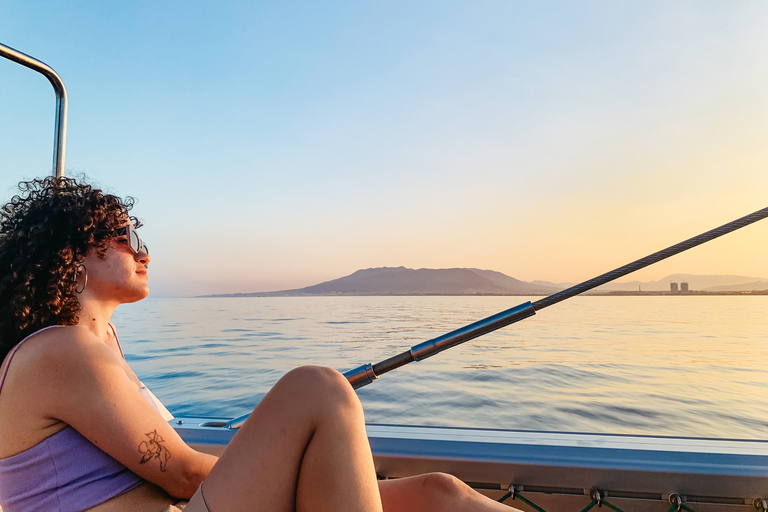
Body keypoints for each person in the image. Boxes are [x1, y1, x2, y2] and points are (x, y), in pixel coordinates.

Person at [0, 177, 519, 512]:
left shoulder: (99, 345)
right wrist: (286, 462)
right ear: (71, 252)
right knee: (316, 389)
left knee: (437, 494)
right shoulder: (59, 352)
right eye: (122, 236)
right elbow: (180, 473)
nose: (144, 253)